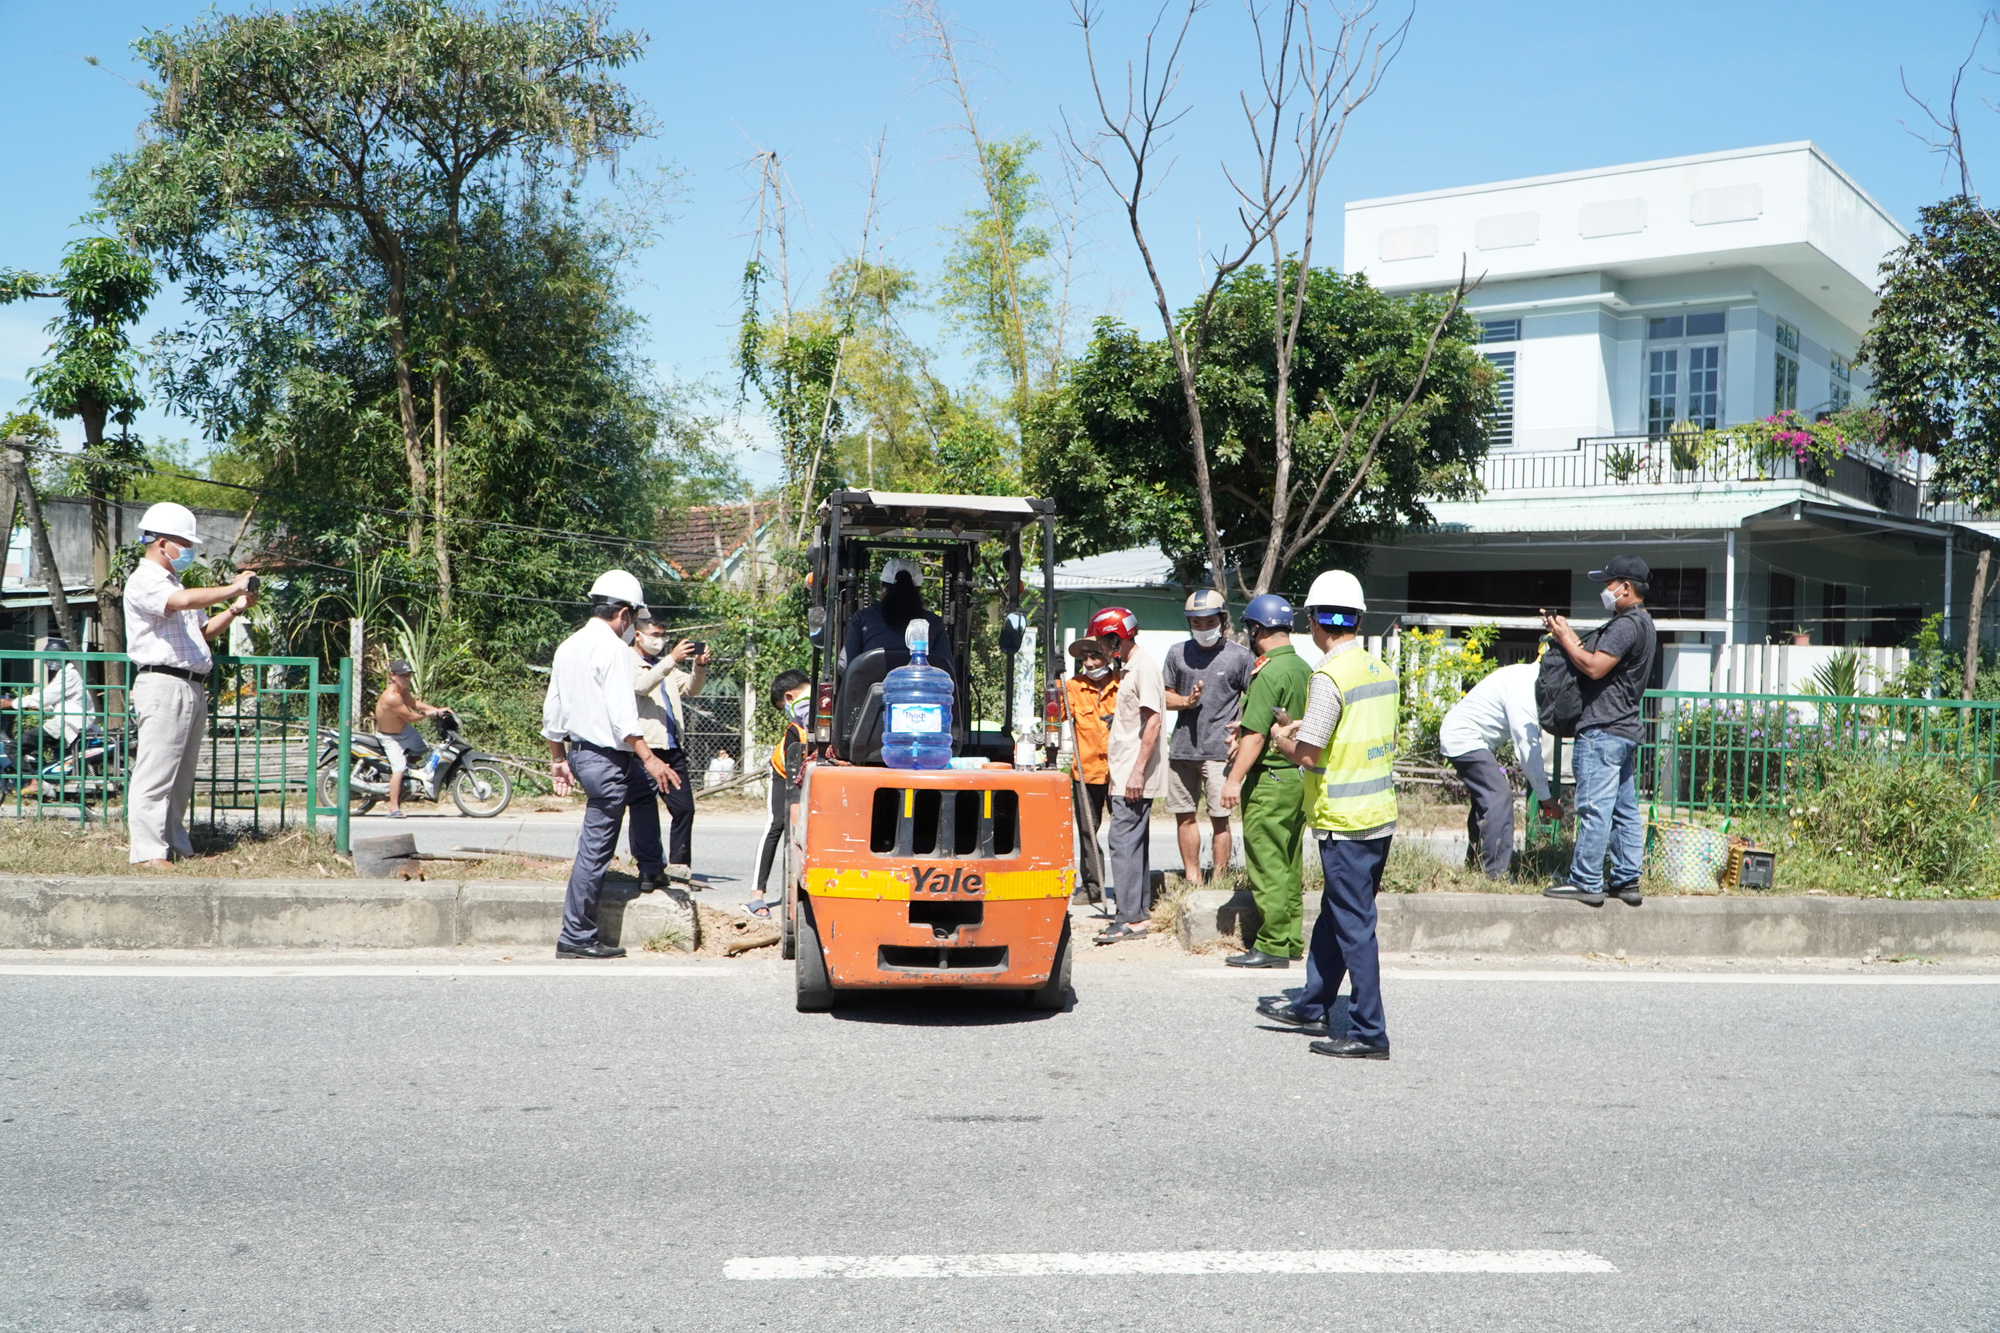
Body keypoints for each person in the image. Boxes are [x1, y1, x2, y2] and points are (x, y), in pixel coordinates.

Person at [1258, 569, 1397, 1059]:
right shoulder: (1378, 669)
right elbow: (1353, 731)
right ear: (1356, 620)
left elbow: (1310, 754)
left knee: (1354, 926)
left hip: (1345, 818)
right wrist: (1307, 729)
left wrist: (1281, 737)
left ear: (1316, 621)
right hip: (1378, 814)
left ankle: (1368, 1032)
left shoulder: (1328, 675)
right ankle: (1313, 1002)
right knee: (1335, 916)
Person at [542, 570, 681, 959]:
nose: (633, 627)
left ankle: (651, 866)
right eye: (634, 619)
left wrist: (558, 760)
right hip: (607, 760)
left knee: (643, 789)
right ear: (622, 613)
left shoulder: (568, 646)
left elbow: (552, 712)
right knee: (595, 850)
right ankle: (576, 936)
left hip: (583, 755)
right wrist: (651, 757)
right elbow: (623, 718)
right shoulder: (616, 651)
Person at [123, 502, 258, 867]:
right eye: (185, 543)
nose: (189, 551)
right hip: (164, 683)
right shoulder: (146, 579)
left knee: (180, 777)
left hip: (191, 685)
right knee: (156, 773)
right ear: (163, 543)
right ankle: (148, 853)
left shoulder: (176, 583)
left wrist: (234, 609)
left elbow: (202, 632)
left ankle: (176, 847)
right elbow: (180, 602)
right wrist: (230, 588)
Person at [1541, 555, 1657, 907]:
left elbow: (1593, 666)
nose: (1604, 590)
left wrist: (1564, 637)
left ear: (1626, 587)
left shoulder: (1626, 625)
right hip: (1623, 729)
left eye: (1609, 583)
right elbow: (1594, 656)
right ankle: (1625, 880)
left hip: (1603, 729)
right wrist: (1565, 632)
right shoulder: (1644, 623)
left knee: (1594, 807)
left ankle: (1587, 881)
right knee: (1623, 809)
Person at [1218, 594, 1312, 968]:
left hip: (1270, 780)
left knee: (1268, 862)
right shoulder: (1304, 667)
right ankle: (1289, 939)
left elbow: (1256, 737)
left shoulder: (1268, 671)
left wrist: (1233, 781)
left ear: (1256, 629)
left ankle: (1272, 945)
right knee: (1289, 862)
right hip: (1297, 777)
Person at [1162, 589, 1255, 885]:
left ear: (1222, 620)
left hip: (1220, 751)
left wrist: (1242, 727)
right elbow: (1164, 695)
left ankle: (1219, 880)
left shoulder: (1240, 656)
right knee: (1184, 815)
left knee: (1220, 819)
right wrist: (1186, 702)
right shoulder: (1177, 653)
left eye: (1209, 622)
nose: (1203, 628)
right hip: (1182, 750)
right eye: (1196, 623)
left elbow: (1254, 698)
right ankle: (1193, 879)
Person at [1440, 659, 1563, 880]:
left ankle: (1475, 864)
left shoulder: (1527, 675)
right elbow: (1527, 750)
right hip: (1463, 737)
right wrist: (1545, 797)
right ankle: (1496, 873)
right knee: (1498, 797)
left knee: (1486, 799)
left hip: (1467, 738)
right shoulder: (1523, 690)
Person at [1091, 606, 1164, 944]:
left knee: (1121, 843)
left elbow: (1153, 722)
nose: (1101, 651)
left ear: (1115, 638)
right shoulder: (1132, 668)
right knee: (1132, 845)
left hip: (1133, 775)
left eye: (1103, 644)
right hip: (1124, 773)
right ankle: (1136, 914)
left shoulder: (1143, 669)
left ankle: (1130, 918)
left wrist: (1137, 772)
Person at [633, 610, 705, 883]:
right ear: (638, 635)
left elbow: (690, 689)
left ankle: (678, 867)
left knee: (684, 808)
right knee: (644, 810)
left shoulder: (664, 665)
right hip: (644, 750)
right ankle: (648, 870)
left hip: (672, 749)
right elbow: (641, 686)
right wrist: (670, 660)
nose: (660, 641)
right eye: (655, 635)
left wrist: (699, 666)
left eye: (663, 636)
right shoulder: (628, 662)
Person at [749, 669, 811, 918]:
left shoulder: (812, 701)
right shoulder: (800, 714)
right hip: (784, 771)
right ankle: (756, 893)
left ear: (788, 696)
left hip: (811, 771)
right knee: (778, 824)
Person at [1062, 636, 1120, 906]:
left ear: (1108, 657)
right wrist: (1054, 688)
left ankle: (1125, 888)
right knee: (1087, 830)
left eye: (1094, 657)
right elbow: (1058, 713)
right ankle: (1093, 887)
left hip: (1119, 772)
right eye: (1084, 658)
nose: (1089, 663)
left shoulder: (1122, 683)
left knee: (1122, 831)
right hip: (1085, 771)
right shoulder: (1073, 686)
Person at [839, 558, 957, 678]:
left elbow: (845, 665)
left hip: (870, 694)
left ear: (882, 587)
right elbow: (946, 668)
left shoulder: (862, 619)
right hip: (919, 694)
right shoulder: (933, 623)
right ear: (918, 590)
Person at [1, 637, 88, 784]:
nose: (50, 661)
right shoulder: (64, 674)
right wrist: (34, 705)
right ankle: (48, 783)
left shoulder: (69, 675)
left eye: (53, 657)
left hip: (65, 723)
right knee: (38, 749)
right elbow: (54, 700)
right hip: (65, 723)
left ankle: (32, 782)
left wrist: (13, 703)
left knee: (12, 747)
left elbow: (45, 697)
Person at [373, 659, 444, 819]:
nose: (406, 678)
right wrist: (431, 713)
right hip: (389, 737)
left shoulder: (403, 690)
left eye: (409, 675)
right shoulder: (391, 697)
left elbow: (413, 703)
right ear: (393, 676)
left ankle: (408, 778)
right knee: (398, 768)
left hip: (403, 730)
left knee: (422, 747)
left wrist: (438, 710)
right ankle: (393, 807)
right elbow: (411, 717)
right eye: (403, 675)